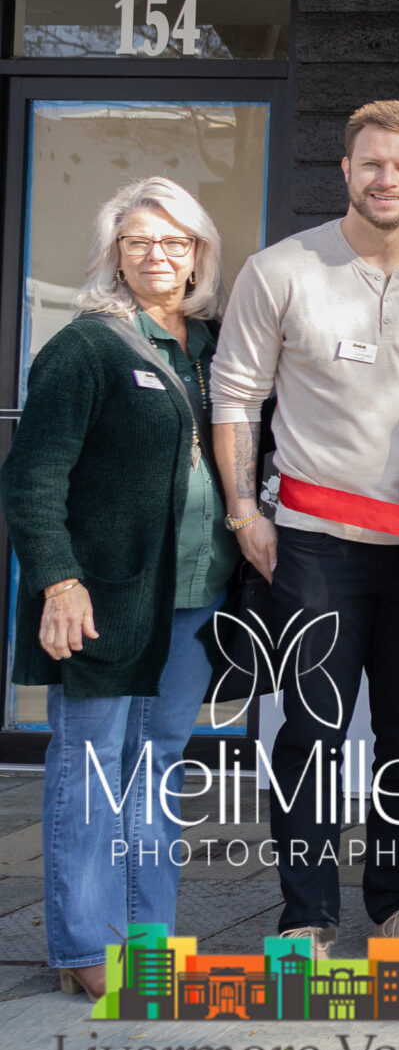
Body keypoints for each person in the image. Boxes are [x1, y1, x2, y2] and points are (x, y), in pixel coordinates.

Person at [210, 100, 399, 960]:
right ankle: (307, 915)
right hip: (312, 543)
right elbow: (236, 396)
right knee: (312, 733)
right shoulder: (280, 270)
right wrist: (244, 512)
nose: (386, 179)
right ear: (345, 168)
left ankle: (398, 907)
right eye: (372, 162)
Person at [8, 179, 235, 998]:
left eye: (175, 242)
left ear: (199, 254)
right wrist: (58, 580)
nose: (157, 255)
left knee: (158, 762)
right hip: (102, 594)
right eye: (138, 241)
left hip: (195, 591)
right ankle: (84, 946)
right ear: (116, 254)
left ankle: (146, 941)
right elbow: (33, 477)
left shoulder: (214, 345)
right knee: (92, 760)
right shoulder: (87, 347)